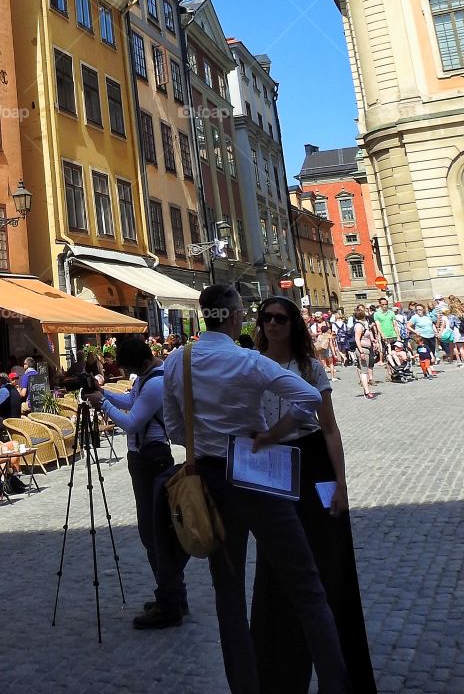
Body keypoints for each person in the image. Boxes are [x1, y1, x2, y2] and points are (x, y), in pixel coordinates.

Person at [157, 284, 350, 694]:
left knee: (228, 596)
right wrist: (273, 431)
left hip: (208, 480)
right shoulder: (248, 362)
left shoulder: (178, 361)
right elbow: (308, 396)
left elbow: (174, 428)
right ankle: (336, 684)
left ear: (202, 315)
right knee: (306, 588)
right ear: (232, 316)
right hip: (255, 475)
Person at [251, 296, 377, 694]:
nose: (273, 325)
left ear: (293, 325)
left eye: (281, 319)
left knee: (330, 560)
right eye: (266, 318)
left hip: (313, 463)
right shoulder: (251, 367)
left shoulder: (310, 368)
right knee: (276, 565)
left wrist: (341, 482)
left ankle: (338, 671)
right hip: (272, 466)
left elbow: (329, 429)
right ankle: (279, 673)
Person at [87, 336, 179, 627]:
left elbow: (131, 422)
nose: (127, 373)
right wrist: (104, 392)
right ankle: (172, 595)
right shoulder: (146, 377)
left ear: (139, 361)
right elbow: (130, 401)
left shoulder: (154, 383)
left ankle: (170, 602)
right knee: (154, 532)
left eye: (127, 367)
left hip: (151, 458)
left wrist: (102, 403)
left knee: (153, 533)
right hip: (145, 456)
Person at [352, 306, 378, 399]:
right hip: (363, 349)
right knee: (364, 371)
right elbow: (357, 339)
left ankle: (366, 390)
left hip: (367, 348)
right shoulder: (359, 325)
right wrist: (361, 351)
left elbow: (368, 335)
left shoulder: (364, 324)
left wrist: (373, 341)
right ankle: (367, 392)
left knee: (364, 370)